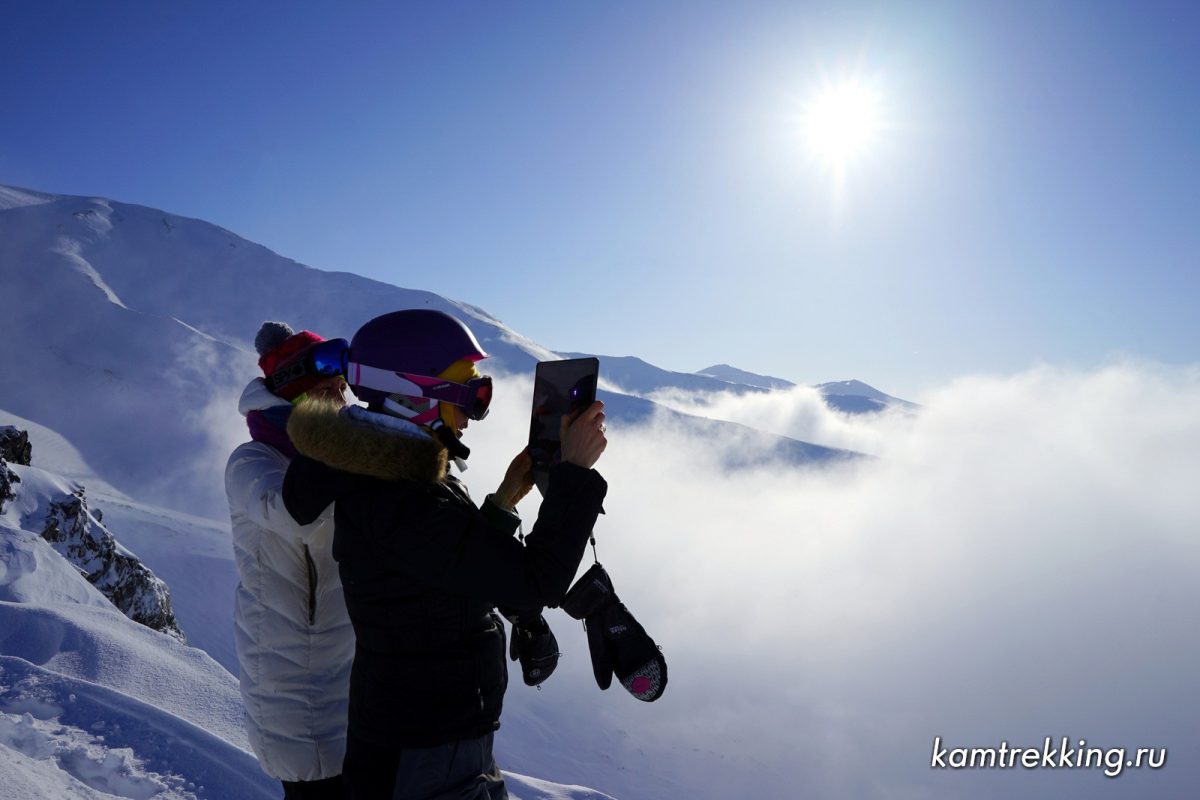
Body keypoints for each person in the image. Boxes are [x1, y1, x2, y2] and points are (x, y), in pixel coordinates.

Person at [280, 309, 608, 800]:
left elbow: (450, 566)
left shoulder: (388, 476)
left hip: (424, 743)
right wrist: (576, 474)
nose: (475, 412)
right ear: (415, 396)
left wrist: (502, 500)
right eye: (471, 395)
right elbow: (534, 580)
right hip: (426, 758)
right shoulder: (401, 499)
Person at [225, 322, 355, 799]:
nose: (343, 401)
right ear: (299, 398)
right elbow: (294, 513)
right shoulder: (251, 462)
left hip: (347, 680)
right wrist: (344, 443)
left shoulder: (333, 460)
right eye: (329, 392)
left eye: (343, 389)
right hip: (295, 693)